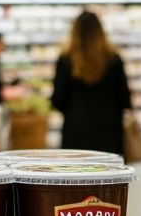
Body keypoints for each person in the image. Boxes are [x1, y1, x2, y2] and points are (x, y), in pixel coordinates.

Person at [52, 11, 132, 155]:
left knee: (75, 173)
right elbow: (125, 98)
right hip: (109, 129)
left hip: (75, 128)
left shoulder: (66, 60)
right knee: (108, 174)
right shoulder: (113, 59)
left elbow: (57, 99)